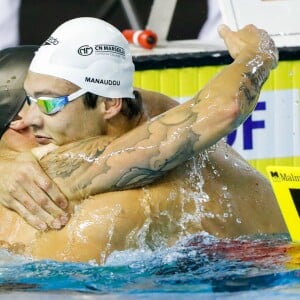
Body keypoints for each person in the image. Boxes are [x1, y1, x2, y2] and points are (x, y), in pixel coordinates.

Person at [0, 17, 286, 263]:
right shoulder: (132, 108)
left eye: (50, 103)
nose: (33, 118)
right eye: (30, 100)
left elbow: (224, 108)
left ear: (109, 104)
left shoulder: (117, 201)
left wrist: (256, 56)